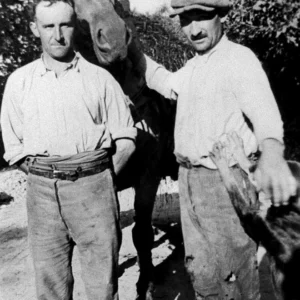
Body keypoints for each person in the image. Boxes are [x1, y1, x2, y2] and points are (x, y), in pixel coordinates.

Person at [137, 0, 298, 299]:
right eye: (186, 20)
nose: (194, 29)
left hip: (224, 185)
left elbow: (265, 114)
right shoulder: (195, 65)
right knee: (202, 273)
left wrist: (272, 151)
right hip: (189, 182)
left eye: (202, 18)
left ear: (220, 16)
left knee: (234, 273)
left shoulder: (239, 59)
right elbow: (168, 83)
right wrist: (133, 51)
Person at [0, 0, 137, 299]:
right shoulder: (19, 83)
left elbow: (126, 138)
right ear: (35, 28)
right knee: (51, 287)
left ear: (75, 27)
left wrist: (99, 178)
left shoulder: (100, 79)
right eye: (49, 26)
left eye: (65, 25)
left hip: (94, 191)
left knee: (103, 286)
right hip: (43, 196)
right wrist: (47, 175)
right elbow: (15, 148)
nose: (58, 35)